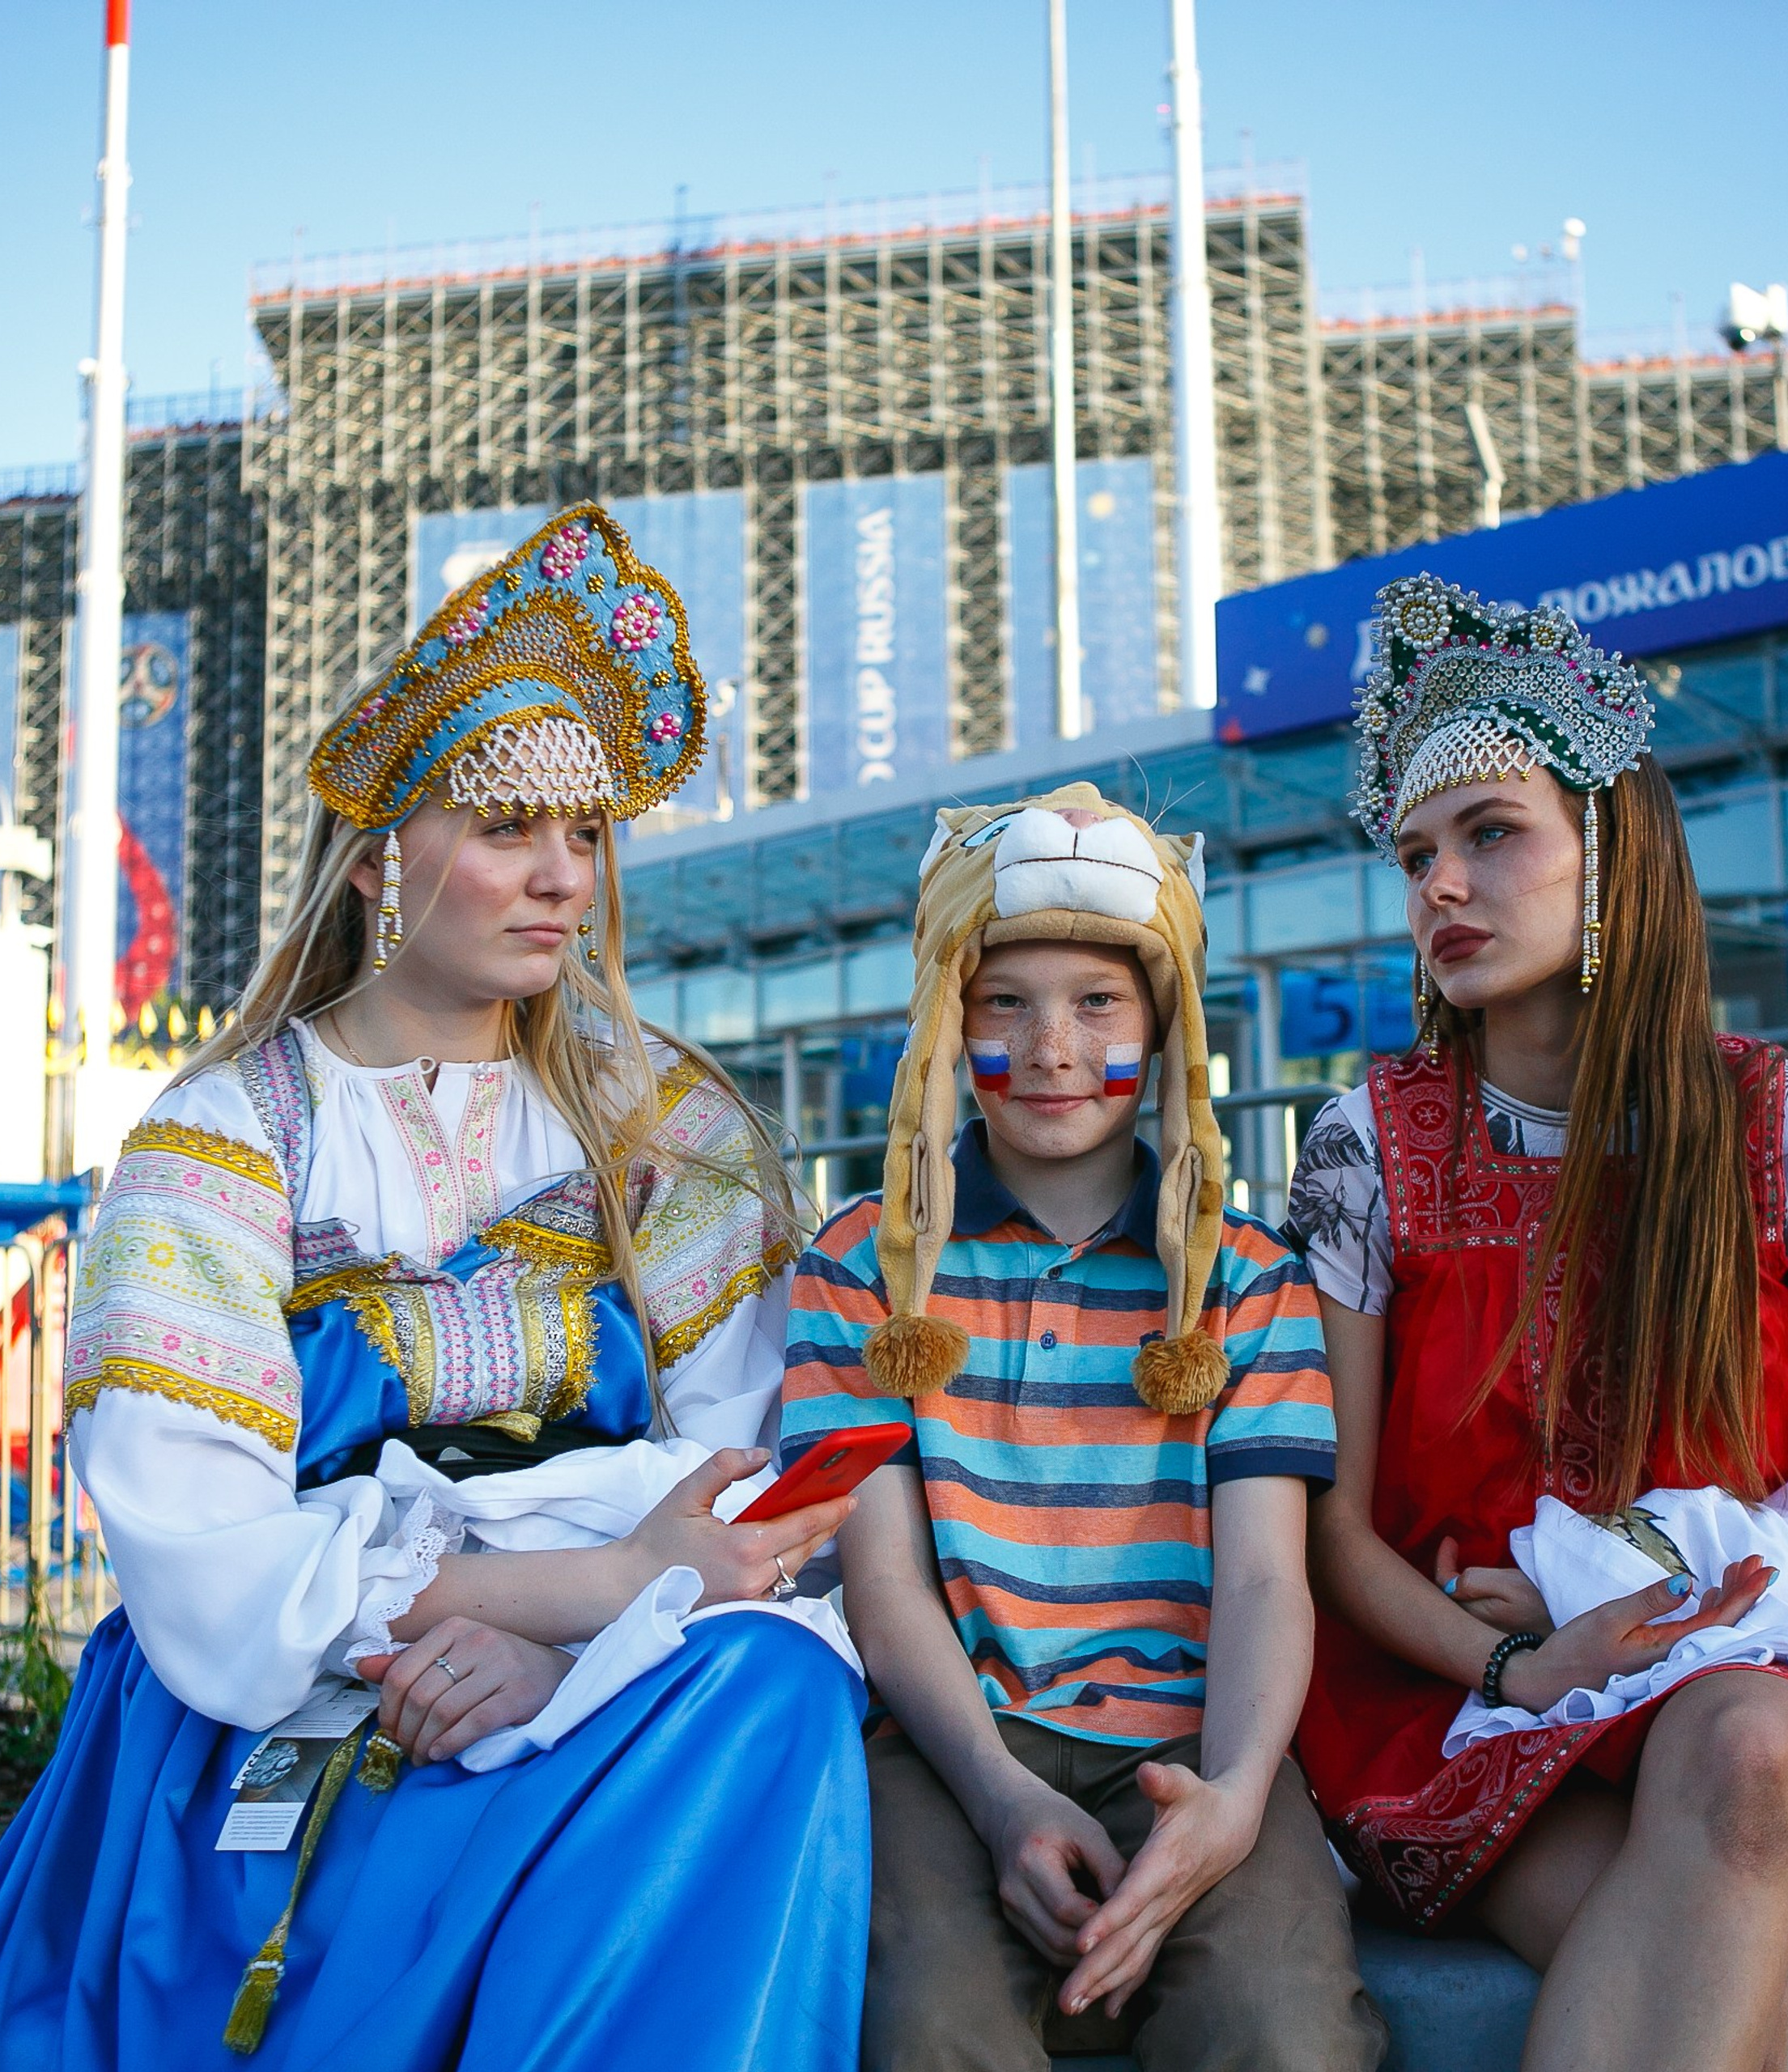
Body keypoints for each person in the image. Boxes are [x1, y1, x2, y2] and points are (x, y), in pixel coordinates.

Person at [0, 506, 870, 2070]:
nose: (559, 880)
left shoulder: (669, 1128)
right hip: (295, 1693)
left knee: (778, 1685)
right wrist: (568, 1589)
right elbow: (207, 1556)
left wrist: (578, 1635)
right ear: (385, 857)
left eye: (586, 835)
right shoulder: (223, 1136)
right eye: (506, 828)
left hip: (627, 1665)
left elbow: (752, 1482)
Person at [1288, 575, 1788, 2072]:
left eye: (1491, 833)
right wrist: (1522, 1667)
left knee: (1731, 1757)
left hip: (1752, 1671)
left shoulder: (1776, 1118)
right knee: (1687, 1914)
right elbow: (1331, 1529)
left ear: (1612, 845)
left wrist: (1608, 1597)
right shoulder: (1367, 1145)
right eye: (1415, 855)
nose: (1442, 889)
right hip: (1464, 1707)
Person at [782, 784, 1387, 2072]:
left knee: (1282, 2036)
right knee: (927, 2028)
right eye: (1006, 1001)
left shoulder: (1252, 1276)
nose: (1053, 1045)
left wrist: (1227, 1807)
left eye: (1099, 1003)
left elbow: (1270, 1575)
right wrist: (1004, 1801)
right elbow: (884, 1584)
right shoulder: (854, 1270)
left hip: (1199, 1737)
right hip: (951, 1750)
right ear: (951, 1020)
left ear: (1165, 1028)